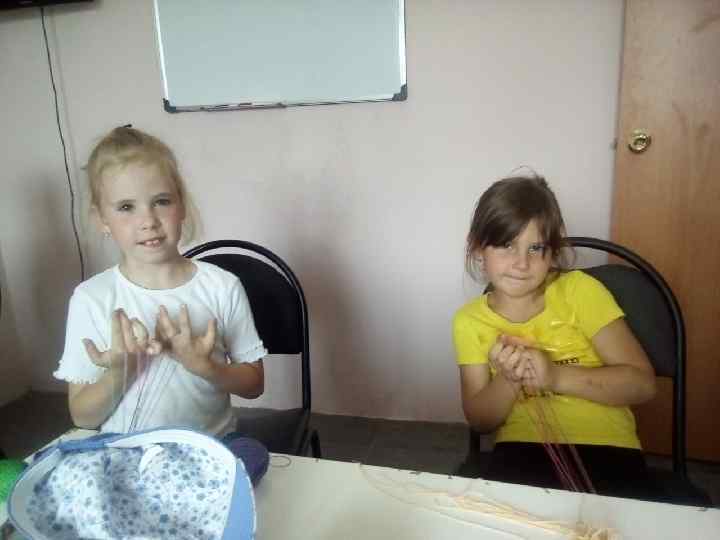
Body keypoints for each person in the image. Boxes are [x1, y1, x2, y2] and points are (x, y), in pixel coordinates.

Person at [453, 174, 659, 499]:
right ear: (479, 247)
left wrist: (554, 376)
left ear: (552, 251)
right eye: (507, 245)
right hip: (521, 450)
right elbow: (481, 421)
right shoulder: (469, 321)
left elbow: (643, 384)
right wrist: (509, 379)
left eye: (536, 247)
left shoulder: (580, 291)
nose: (522, 263)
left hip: (608, 447)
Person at [54, 126, 267, 437]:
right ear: (102, 219)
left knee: (253, 456)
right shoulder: (91, 298)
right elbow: (83, 417)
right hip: (128, 451)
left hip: (212, 446)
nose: (148, 221)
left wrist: (206, 367)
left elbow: (254, 385)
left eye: (162, 201)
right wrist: (123, 370)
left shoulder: (222, 286)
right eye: (126, 207)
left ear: (181, 206)